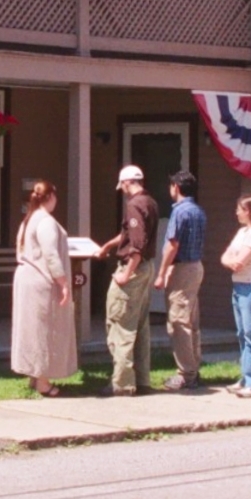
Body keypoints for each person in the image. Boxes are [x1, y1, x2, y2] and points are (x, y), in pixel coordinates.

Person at [94, 164, 159, 396]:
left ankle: (121, 384)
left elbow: (137, 244)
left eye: (122, 185)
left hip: (134, 270)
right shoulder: (150, 202)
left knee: (120, 324)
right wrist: (107, 246)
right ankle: (142, 380)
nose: (121, 189)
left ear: (127, 182)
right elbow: (127, 235)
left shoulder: (133, 205)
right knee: (140, 326)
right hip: (147, 268)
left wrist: (126, 273)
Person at [10, 180, 78, 396]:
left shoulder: (28, 219)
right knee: (45, 330)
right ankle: (43, 382)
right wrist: (63, 282)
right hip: (41, 282)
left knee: (32, 330)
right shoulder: (45, 221)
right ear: (49, 197)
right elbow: (51, 254)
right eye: (55, 195)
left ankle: (34, 376)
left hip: (26, 278)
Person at [155, 170, 207, 391]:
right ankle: (194, 367)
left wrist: (162, 272)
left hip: (182, 268)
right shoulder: (198, 211)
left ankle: (186, 374)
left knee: (178, 321)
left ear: (176, 187)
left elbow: (172, 244)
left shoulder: (179, 211)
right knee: (191, 321)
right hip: (196, 266)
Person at [220, 194, 251, 397]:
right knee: (242, 334)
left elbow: (239, 261)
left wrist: (233, 261)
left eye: (240, 209)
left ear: (248, 211)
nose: (237, 212)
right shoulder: (242, 232)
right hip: (239, 287)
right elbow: (225, 256)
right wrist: (230, 260)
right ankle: (246, 378)